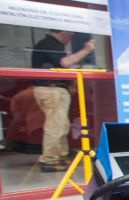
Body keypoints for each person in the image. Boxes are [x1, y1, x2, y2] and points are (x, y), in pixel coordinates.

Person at [30, 30, 95, 170]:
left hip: (53, 88)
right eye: (71, 35)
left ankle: (61, 155)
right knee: (56, 126)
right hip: (52, 90)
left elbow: (58, 67)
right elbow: (66, 62)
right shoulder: (50, 44)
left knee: (62, 125)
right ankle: (50, 160)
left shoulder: (49, 44)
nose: (71, 39)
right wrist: (86, 50)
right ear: (64, 33)